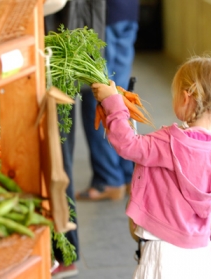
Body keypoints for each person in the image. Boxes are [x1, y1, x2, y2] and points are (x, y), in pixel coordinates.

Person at [91, 55, 211, 278]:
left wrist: (113, 104)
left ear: (186, 97)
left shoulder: (169, 142)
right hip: (200, 255)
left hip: (163, 251)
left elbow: (128, 144)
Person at [44, 0, 107, 278]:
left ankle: (64, 252)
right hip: (68, 45)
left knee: (57, 156)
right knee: (59, 152)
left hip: (62, 50)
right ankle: (62, 250)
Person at [76, 0, 140, 201]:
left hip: (103, 15)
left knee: (98, 96)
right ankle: (129, 176)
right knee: (118, 94)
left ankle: (109, 179)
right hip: (128, 11)